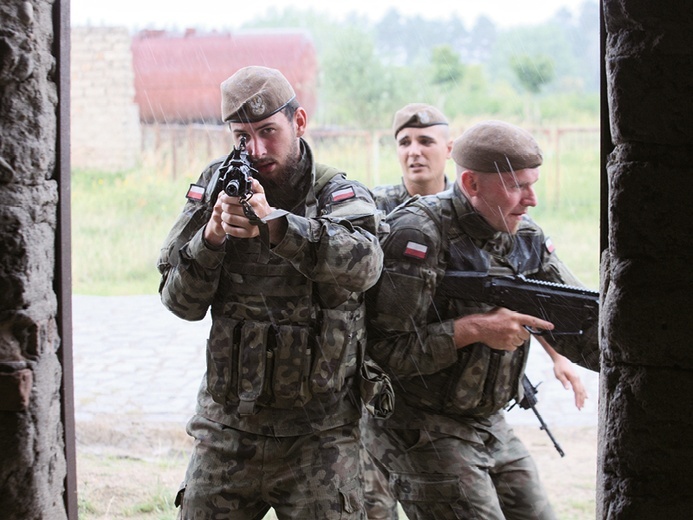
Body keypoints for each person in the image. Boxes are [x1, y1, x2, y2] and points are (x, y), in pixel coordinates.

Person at [157, 65, 389, 519]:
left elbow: (367, 267)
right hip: (228, 431)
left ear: (299, 122)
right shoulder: (215, 189)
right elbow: (178, 302)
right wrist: (212, 239)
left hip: (319, 437)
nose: (257, 149)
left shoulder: (336, 193)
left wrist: (280, 226)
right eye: (242, 136)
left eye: (268, 131)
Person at [363, 120, 600, 519]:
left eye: (533, 183)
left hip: (489, 421)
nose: (532, 199)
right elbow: (381, 353)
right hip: (419, 425)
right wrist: (471, 330)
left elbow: (576, 317)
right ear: (472, 184)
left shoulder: (525, 238)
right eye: (516, 186)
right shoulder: (417, 236)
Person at [372, 103, 453, 215]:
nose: (413, 152)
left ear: (448, 149)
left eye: (425, 141)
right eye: (405, 143)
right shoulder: (376, 205)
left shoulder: (467, 203)